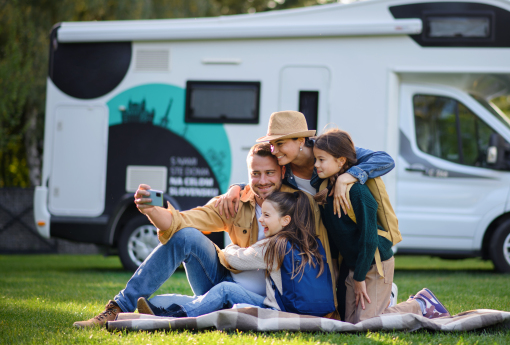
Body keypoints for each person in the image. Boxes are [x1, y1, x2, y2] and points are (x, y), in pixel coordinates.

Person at [73, 143, 337, 328]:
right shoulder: (233, 203)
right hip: (220, 281)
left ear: (281, 172)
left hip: (266, 299)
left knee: (170, 303)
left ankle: (175, 311)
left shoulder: (296, 204)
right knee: (187, 236)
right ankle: (117, 308)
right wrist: (152, 210)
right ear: (248, 176)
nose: (263, 180)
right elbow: (181, 221)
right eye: (255, 174)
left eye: (269, 173)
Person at [312, 128, 451, 323]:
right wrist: (336, 266)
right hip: (354, 263)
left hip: (374, 262)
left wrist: (359, 278)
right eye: (315, 159)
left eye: (321, 159)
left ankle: (420, 303)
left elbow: (369, 238)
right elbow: (335, 234)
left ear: (341, 161)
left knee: (367, 323)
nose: (316, 165)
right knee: (349, 323)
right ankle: (382, 301)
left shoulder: (358, 192)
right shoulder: (324, 189)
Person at [136, 191, 332, 318]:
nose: (261, 220)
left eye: (267, 215)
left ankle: (179, 315)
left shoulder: (274, 246)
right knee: (157, 302)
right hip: (311, 310)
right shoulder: (311, 243)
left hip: (278, 310)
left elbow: (235, 260)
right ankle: (161, 308)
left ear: (285, 220)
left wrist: (230, 248)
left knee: (225, 289)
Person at [216, 111, 395, 218]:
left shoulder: (329, 149)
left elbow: (385, 160)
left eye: (280, 144)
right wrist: (236, 188)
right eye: (272, 144)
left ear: (301, 141)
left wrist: (348, 177)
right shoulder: (283, 167)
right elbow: (263, 180)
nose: (274, 150)